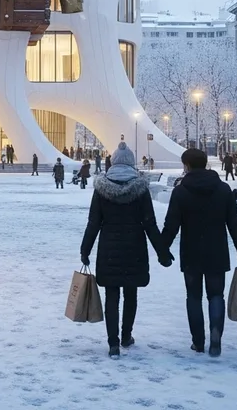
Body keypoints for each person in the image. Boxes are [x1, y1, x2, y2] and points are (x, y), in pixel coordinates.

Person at [80, 142, 172, 357]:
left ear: (113, 162)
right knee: (131, 293)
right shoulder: (140, 189)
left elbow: (93, 223)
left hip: (109, 248)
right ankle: (126, 335)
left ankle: (113, 342)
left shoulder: (102, 189)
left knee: (111, 295)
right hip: (134, 247)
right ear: (131, 163)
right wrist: (162, 252)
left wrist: (85, 250)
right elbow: (150, 223)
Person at [161, 148, 237, 358]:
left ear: (187, 165)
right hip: (217, 251)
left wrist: (163, 248)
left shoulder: (181, 191)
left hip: (191, 251)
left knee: (193, 296)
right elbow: (234, 223)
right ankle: (216, 336)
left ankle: (198, 342)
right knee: (216, 295)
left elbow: (171, 224)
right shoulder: (223, 189)